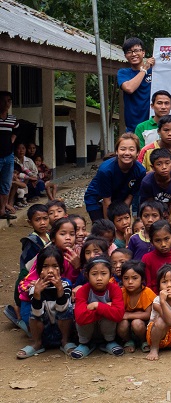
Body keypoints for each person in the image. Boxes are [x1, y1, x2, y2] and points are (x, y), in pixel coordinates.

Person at [15, 245, 75, 359]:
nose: (50, 271)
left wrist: (59, 289)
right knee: (34, 314)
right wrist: (37, 293)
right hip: (44, 331)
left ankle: (65, 341)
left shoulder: (66, 284)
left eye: (55, 266)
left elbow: (62, 308)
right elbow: (36, 312)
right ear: (39, 270)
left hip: (61, 330)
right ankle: (37, 343)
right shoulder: (35, 286)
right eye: (45, 266)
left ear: (61, 269)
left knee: (67, 310)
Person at [5, 204, 50, 333]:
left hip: (43, 273)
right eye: (37, 220)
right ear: (30, 222)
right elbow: (27, 267)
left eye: (45, 218)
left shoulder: (49, 235)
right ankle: (19, 315)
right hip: (30, 275)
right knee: (25, 294)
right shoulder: (31, 241)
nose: (42, 223)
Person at [71, 255, 125, 359]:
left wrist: (97, 306)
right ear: (87, 275)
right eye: (94, 274)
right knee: (106, 314)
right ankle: (84, 344)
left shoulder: (115, 289)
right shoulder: (82, 291)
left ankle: (109, 342)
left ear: (110, 275)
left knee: (109, 317)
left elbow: (118, 315)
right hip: (87, 329)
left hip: (107, 331)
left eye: (104, 274)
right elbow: (80, 318)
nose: (99, 278)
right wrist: (106, 308)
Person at [84, 133, 146, 222]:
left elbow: (130, 197)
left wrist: (122, 215)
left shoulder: (140, 171)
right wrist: (109, 226)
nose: (127, 153)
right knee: (102, 229)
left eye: (131, 149)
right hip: (97, 198)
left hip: (119, 197)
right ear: (117, 151)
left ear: (138, 153)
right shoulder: (106, 170)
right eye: (123, 149)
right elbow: (106, 201)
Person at [117, 260, 156, 353]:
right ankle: (128, 341)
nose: (130, 282)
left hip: (144, 326)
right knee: (122, 324)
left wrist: (128, 315)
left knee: (137, 323)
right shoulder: (121, 292)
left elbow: (148, 315)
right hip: (127, 326)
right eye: (126, 278)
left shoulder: (147, 292)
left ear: (142, 279)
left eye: (135, 278)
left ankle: (143, 341)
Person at [118, 38, 155, 132]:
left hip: (154, 127)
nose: (133, 54)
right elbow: (129, 88)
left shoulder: (156, 71)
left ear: (143, 53)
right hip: (133, 129)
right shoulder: (123, 73)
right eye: (129, 52)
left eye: (136, 50)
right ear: (125, 56)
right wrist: (144, 69)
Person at [0, 90, 18, 219]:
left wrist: (11, 141)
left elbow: (16, 131)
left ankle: (2, 211)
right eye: (4, 101)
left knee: (6, 183)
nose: (7, 104)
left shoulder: (12, 119)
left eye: (9, 101)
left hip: (8, 156)